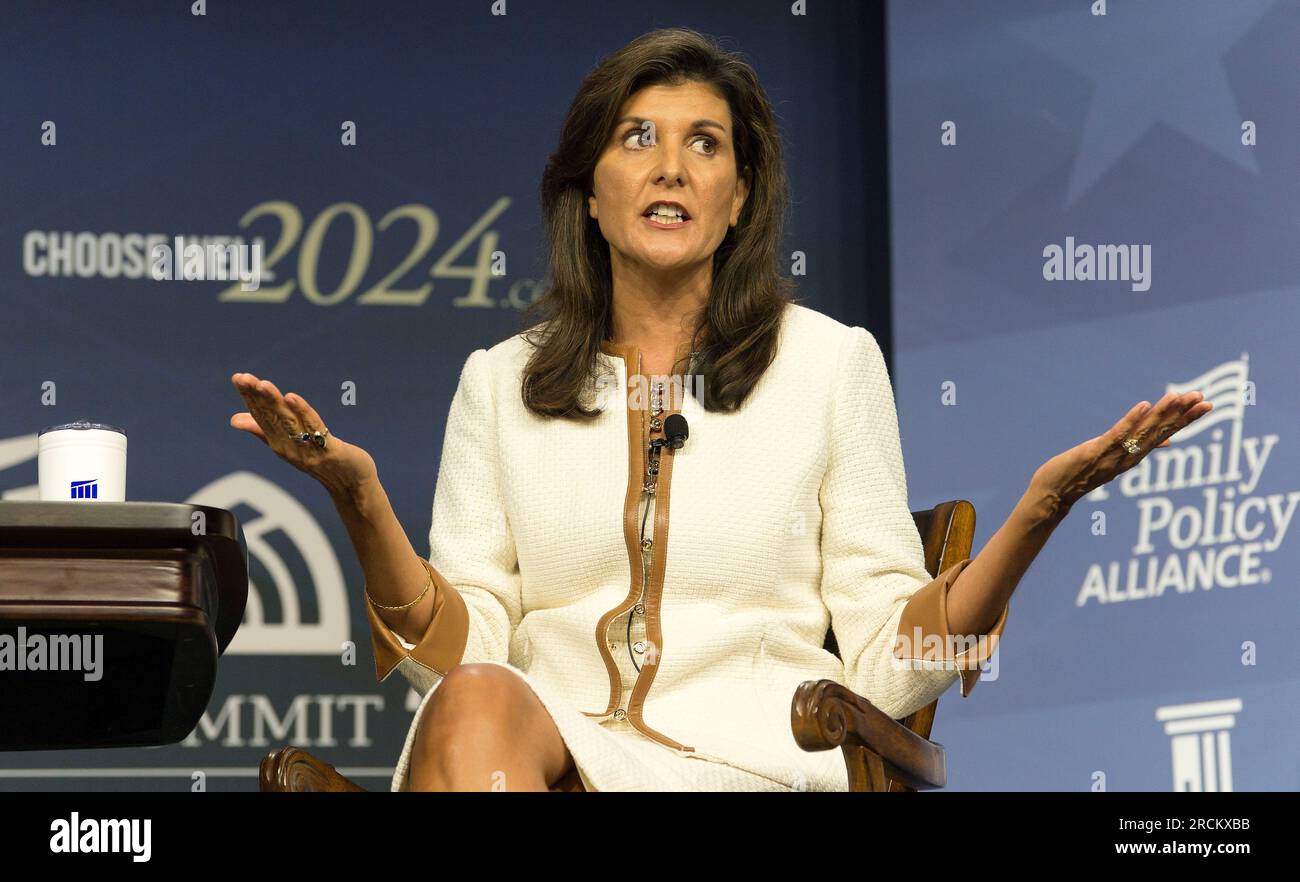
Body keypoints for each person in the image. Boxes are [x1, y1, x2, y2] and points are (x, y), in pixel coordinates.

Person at [228, 28, 1212, 792]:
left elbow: (886, 657)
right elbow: (468, 656)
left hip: (754, 763)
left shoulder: (830, 365)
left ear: (737, 195)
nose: (671, 167)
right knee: (477, 703)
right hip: (551, 753)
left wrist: (1035, 517)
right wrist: (360, 505)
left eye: (705, 144)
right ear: (590, 190)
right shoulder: (501, 382)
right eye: (637, 138)